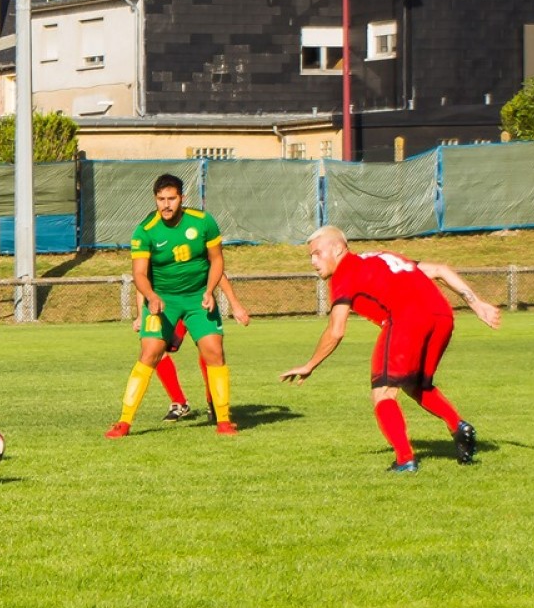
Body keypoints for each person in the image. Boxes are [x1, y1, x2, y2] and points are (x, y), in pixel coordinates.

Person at [279, 225, 500, 472]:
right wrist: (477, 304)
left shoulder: (344, 274)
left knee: (383, 391)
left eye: (318, 253)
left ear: (338, 248)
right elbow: (440, 270)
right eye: (310, 255)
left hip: (406, 318)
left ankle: (405, 460)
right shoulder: (382, 256)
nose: (313, 261)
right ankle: (458, 426)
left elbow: (336, 329)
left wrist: (310, 364)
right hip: (442, 315)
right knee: (415, 384)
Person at [107, 173, 237, 437]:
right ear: (155, 199)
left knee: (214, 351)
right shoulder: (145, 231)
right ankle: (124, 422)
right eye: (160, 199)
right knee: (150, 354)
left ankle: (223, 420)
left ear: (182, 198)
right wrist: (152, 297)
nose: (166, 205)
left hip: (197, 297)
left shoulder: (203, 222)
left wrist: (210, 291)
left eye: (171, 199)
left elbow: (217, 261)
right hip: (163, 300)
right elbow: (140, 274)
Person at [134, 274, 251, 423]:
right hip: (168, 307)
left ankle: (213, 401)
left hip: (197, 305)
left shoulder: (199, 253)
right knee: (155, 352)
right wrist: (140, 316)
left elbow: (218, 272)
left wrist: (235, 305)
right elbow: (141, 279)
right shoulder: (153, 253)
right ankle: (179, 403)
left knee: (209, 350)